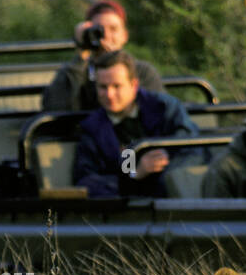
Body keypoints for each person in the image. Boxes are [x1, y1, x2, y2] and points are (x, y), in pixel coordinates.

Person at [72, 50, 198, 197]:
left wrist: (163, 159)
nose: (109, 95)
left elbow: (192, 148)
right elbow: (86, 181)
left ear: (134, 85)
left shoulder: (164, 108)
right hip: (128, 210)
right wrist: (133, 174)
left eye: (117, 86)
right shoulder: (93, 128)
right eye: (103, 87)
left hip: (176, 198)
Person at [42, 0, 163, 111]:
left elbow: (157, 112)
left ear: (125, 35)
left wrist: (115, 62)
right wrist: (81, 53)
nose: (106, 36)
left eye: (113, 29)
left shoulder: (143, 72)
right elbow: (55, 109)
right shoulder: (77, 70)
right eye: (99, 31)